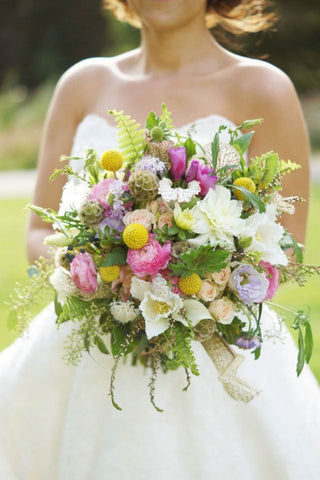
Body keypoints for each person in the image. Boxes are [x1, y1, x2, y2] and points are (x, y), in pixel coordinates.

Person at [0, 1, 319, 479]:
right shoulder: (82, 84)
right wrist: (104, 276)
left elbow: (290, 246)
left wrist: (205, 277)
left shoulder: (263, 87)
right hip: (87, 351)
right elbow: (41, 231)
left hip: (216, 343)